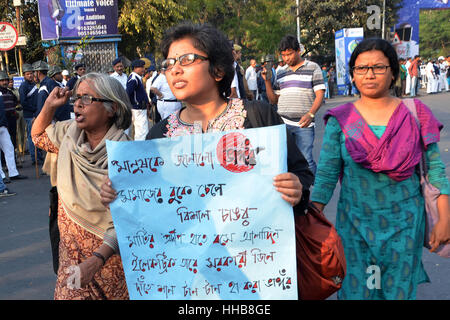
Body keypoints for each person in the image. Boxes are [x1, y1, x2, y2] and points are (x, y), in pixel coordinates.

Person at [100, 23, 314, 271]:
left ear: (218, 70)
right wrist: (119, 196)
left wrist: (296, 189)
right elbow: (149, 209)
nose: (175, 70)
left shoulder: (257, 117)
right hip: (189, 272)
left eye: (187, 59)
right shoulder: (159, 135)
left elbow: (301, 173)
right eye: (169, 64)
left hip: (258, 266)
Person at [310, 38, 450, 300]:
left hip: (405, 226)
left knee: (398, 293)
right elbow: (326, 176)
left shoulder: (416, 113)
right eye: (361, 68)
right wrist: (307, 220)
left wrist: (445, 218)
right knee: (356, 292)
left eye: (378, 67)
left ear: (393, 73)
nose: (369, 74)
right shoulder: (341, 119)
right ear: (352, 75)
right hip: (354, 228)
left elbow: (435, 171)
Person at [31, 72, 132, 300]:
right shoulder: (68, 134)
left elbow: (128, 218)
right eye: (76, 98)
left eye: (87, 98)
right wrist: (49, 105)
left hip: (110, 263)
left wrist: (97, 259)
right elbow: (37, 136)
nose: (77, 103)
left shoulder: (127, 156)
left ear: (112, 108)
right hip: (71, 259)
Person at [263, 35, 325, 175]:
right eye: (284, 55)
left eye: (289, 54)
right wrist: (267, 82)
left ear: (298, 51)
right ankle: (297, 192)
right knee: (286, 160)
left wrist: (310, 114)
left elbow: (320, 95)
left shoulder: (313, 67)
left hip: (304, 124)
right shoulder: (281, 72)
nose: (286, 58)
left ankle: (312, 192)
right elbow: (274, 100)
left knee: (306, 159)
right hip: (284, 123)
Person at [19, 63, 43, 165]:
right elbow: (23, 102)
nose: (30, 75)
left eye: (31, 73)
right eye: (28, 74)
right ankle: (35, 158)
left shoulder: (34, 84)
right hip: (29, 115)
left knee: (38, 136)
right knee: (32, 136)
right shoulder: (23, 86)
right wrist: (34, 109)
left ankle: (40, 156)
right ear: (24, 75)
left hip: (37, 114)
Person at [0, 94, 26, 183]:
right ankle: (1, 177)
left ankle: (13, 173)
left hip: (3, 125)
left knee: (10, 148)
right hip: (2, 124)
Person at [126, 59, 150, 140]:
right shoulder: (133, 78)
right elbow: (128, 93)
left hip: (140, 108)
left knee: (142, 131)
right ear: (135, 68)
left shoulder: (137, 77)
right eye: (141, 67)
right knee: (142, 132)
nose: (143, 69)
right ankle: (141, 150)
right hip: (138, 108)